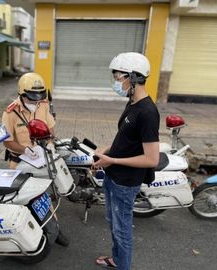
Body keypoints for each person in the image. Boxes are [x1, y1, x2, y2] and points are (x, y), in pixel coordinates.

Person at [93, 52, 160, 270]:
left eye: (118, 77)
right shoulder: (132, 103)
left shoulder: (148, 112)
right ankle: (117, 260)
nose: (116, 82)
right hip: (114, 176)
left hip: (125, 183)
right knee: (114, 224)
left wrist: (110, 159)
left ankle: (122, 265)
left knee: (122, 230)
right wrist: (106, 151)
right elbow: (126, 138)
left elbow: (151, 158)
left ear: (134, 78)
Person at [1, 72, 69, 247]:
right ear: (21, 95)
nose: (35, 103)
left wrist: (50, 143)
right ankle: (24, 235)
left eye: (38, 99)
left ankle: (54, 228)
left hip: (42, 160)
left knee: (44, 198)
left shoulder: (43, 105)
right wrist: (25, 149)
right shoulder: (10, 112)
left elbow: (51, 129)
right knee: (21, 200)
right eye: (31, 99)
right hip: (19, 162)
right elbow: (7, 141)